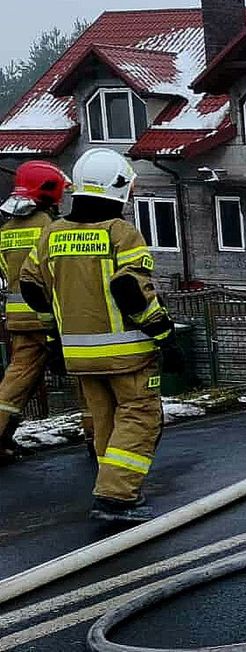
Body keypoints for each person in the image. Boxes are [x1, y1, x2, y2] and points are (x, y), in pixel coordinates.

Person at [20, 149, 172, 524]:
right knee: (139, 417)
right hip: (128, 353)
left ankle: (112, 485)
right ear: (119, 188)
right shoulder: (121, 234)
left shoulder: (52, 234)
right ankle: (117, 496)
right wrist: (164, 334)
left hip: (78, 355)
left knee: (104, 420)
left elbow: (31, 287)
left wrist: (54, 338)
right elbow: (131, 290)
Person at [0, 161, 70, 463]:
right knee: (88, 379)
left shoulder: (5, 231)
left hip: (18, 319)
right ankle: (98, 441)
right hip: (52, 317)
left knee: (15, 383)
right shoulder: (50, 228)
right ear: (50, 192)